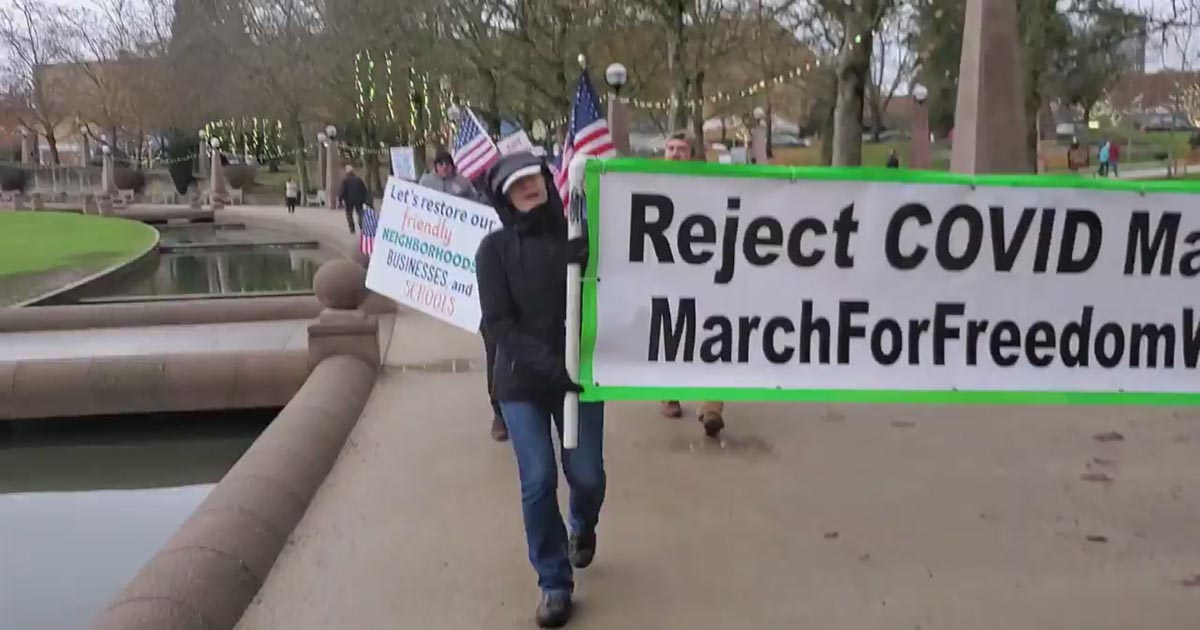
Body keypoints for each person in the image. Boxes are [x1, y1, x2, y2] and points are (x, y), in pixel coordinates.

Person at [476, 152, 604, 628]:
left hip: (580, 378)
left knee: (587, 476)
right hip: (523, 381)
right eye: (517, 184)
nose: (529, 186)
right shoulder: (493, 250)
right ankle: (553, 581)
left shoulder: (579, 235)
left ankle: (582, 525)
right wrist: (550, 367)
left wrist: (589, 262)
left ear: (549, 181)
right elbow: (499, 325)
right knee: (538, 479)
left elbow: (618, 292)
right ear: (504, 198)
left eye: (533, 177)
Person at [418, 150, 506, 441]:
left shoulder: (470, 189)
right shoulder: (428, 184)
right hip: (484, 287)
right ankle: (500, 413)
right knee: (495, 351)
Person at [660, 130, 726, 438]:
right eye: (670, 148)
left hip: (704, 271)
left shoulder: (710, 186)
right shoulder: (648, 184)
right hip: (665, 272)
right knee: (670, 332)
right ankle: (669, 393)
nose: (675, 154)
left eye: (681, 149)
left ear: (692, 155)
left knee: (716, 333)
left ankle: (712, 406)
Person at [418, 150, 484, 201]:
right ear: (436, 166)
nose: (444, 168)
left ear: (452, 166)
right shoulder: (426, 181)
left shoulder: (463, 182)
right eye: (441, 165)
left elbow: (475, 199)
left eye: (448, 164)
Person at [337, 165, 369, 233]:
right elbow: (364, 190)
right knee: (360, 213)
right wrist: (365, 199)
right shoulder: (358, 179)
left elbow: (342, 191)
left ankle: (352, 229)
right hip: (359, 200)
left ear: (346, 172)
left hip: (349, 200)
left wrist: (340, 200)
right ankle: (362, 226)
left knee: (349, 214)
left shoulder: (345, 180)